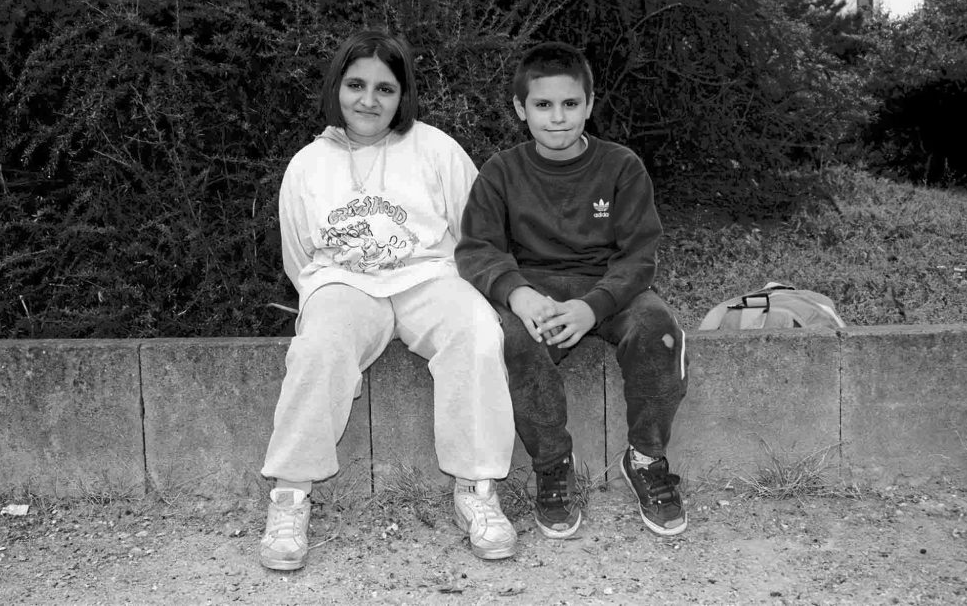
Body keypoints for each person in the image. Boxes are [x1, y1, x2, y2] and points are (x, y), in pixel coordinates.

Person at [260, 30, 517, 571]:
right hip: (345, 282)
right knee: (320, 346)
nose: (369, 101)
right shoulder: (307, 164)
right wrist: (328, 296)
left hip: (430, 278)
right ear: (336, 87)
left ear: (403, 96)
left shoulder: (436, 148)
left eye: (385, 88)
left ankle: (476, 488)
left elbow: (476, 232)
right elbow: (298, 254)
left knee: (477, 333)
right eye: (356, 85)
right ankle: (289, 494)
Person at [455, 41, 689, 540]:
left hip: (609, 289)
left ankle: (646, 457)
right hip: (534, 290)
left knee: (659, 329)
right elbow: (477, 249)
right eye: (543, 105)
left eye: (570, 104)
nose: (557, 117)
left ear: (589, 104)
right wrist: (517, 294)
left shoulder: (622, 166)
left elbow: (639, 255)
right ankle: (552, 464)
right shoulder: (501, 171)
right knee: (511, 338)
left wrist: (592, 307)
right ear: (521, 108)